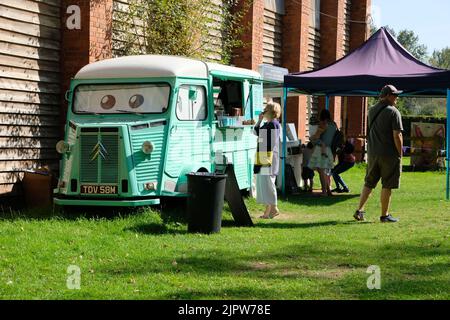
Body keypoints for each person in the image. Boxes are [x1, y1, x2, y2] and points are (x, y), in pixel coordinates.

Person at [354, 85, 404, 223]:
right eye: (395, 95)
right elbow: (397, 135)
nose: (397, 98)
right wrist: (400, 153)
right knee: (387, 184)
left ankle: (359, 210)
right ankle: (384, 215)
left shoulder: (371, 110)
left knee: (369, 183)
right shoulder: (394, 112)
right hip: (388, 154)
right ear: (387, 95)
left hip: (372, 153)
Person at [254, 102, 281, 219]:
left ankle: (274, 208)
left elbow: (271, 142)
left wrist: (265, 157)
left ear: (271, 111)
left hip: (268, 156)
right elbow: (256, 132)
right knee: (264, 184)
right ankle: (268, 211)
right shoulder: (268, 123)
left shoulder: (274, 124)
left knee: (269, 183)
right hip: (264, 155)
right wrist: (259, 121)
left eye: (266, 109)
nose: (264, 111)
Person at [308, 109, 337, 196]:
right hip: (329, 149)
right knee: (324, 171)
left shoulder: (323, 124)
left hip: (321, 149)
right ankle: (328, 190)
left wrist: (311, 138)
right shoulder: (334, 124)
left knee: (321, 171)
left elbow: (316, 136)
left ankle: (324, 191)